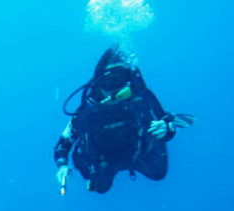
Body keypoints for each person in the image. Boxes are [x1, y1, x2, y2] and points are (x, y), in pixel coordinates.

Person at [55, 46, 193, 194]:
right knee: (99, 187)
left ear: (129, 80)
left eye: (120, 80)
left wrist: (167, 128)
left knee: (159, 174)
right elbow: (63, 143)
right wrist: (62, 166)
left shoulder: (141, 98)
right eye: (109, 81)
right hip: (105, 161)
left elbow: (165, 124)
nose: (114, 89)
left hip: (139, 153)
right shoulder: (88, 109)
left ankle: (170, 120)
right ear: (99, 82)